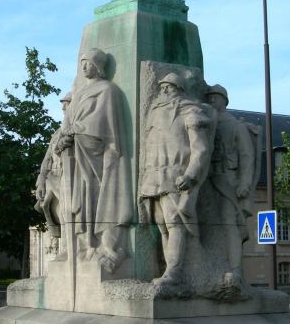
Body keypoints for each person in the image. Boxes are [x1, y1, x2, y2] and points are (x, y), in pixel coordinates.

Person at [55, 48, 132, 273]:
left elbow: (101, 123)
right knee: (77, 202)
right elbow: (66, 124)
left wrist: (76, 131)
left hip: (99, 157)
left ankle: (107, 246)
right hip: (78, 158)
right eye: (82, 63)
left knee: (102, 199)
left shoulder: (107, 90)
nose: (84, 67)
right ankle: (84, 245)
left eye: (88, 63)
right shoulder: (78, 94)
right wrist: (64, 138)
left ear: (98, 66)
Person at [139, 71, 216, 286]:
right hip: (153, 175)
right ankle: (169, 269)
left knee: (175, 223)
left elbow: (201, 149)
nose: (164, 91)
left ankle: (174, 271)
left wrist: (191, 174)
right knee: (161, 224)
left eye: (169, 87)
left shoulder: (191, 110)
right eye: (162, 87)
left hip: (176, 175)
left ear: (180, 90)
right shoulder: (155, 112)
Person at [207, 84, 257, 288]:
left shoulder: (236, 126)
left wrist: (244, 184)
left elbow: (247, 157)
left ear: (224, 101)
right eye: (209, 97)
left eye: (215, 97)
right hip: (208, 180)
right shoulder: (207, 122)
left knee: (230, 226)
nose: (211, 100)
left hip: (228, 182)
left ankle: (235, 269)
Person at [34, 92, 72, 238]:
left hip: (66, 176)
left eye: (67, 104)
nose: (63, 108)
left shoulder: (75, 128)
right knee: (51, 207)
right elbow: (47, 159)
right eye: (63, 105)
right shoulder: (57, 133)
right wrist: (41, 180)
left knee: (65, 211)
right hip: (53, 176)